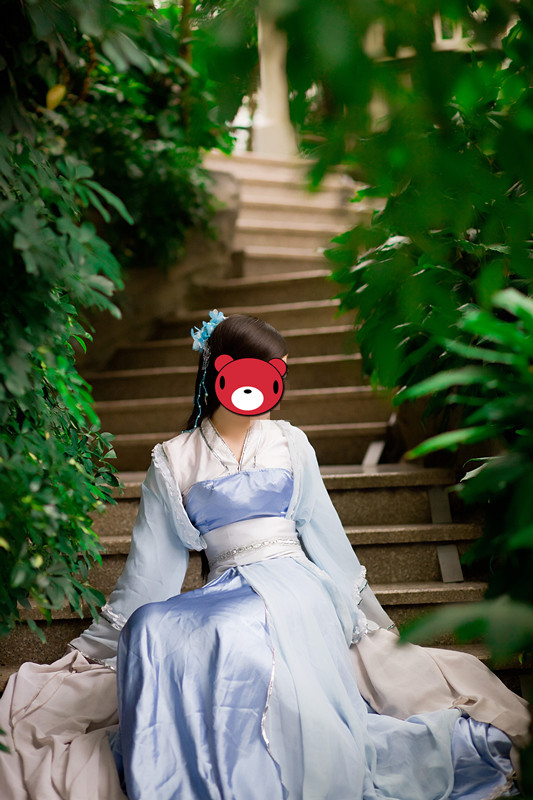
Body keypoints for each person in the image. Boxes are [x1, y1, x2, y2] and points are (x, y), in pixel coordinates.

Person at [0, 311, 530, 800]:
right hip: (226, 586)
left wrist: (365, 616)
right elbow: (150, 571)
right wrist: (101, 644)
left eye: (278, 374)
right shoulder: (173, 458)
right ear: (222, 372)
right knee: (153, 628)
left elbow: (326, 536)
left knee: (234, 632)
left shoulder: (290, 442)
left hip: (295, 581)